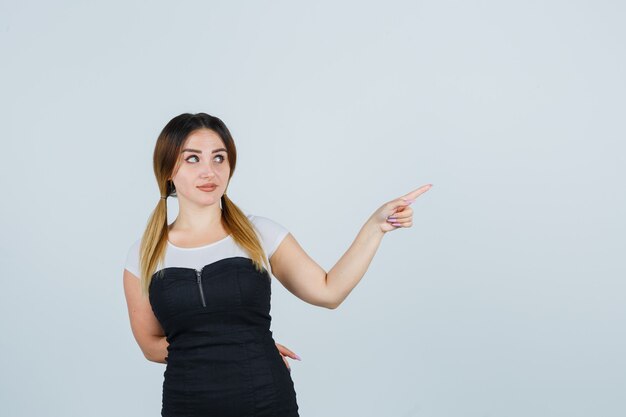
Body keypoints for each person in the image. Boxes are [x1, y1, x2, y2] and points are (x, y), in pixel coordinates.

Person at [122, 112, 432, 417]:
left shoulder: (260, 233)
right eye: (193, 159)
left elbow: (329, 291)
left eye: (219, 158)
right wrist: (225, 350)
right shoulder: (144, 254)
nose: (210, 171)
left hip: (266, 401)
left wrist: (375, 227)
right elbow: (150, 345)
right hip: (186, 405)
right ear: (167, 170)